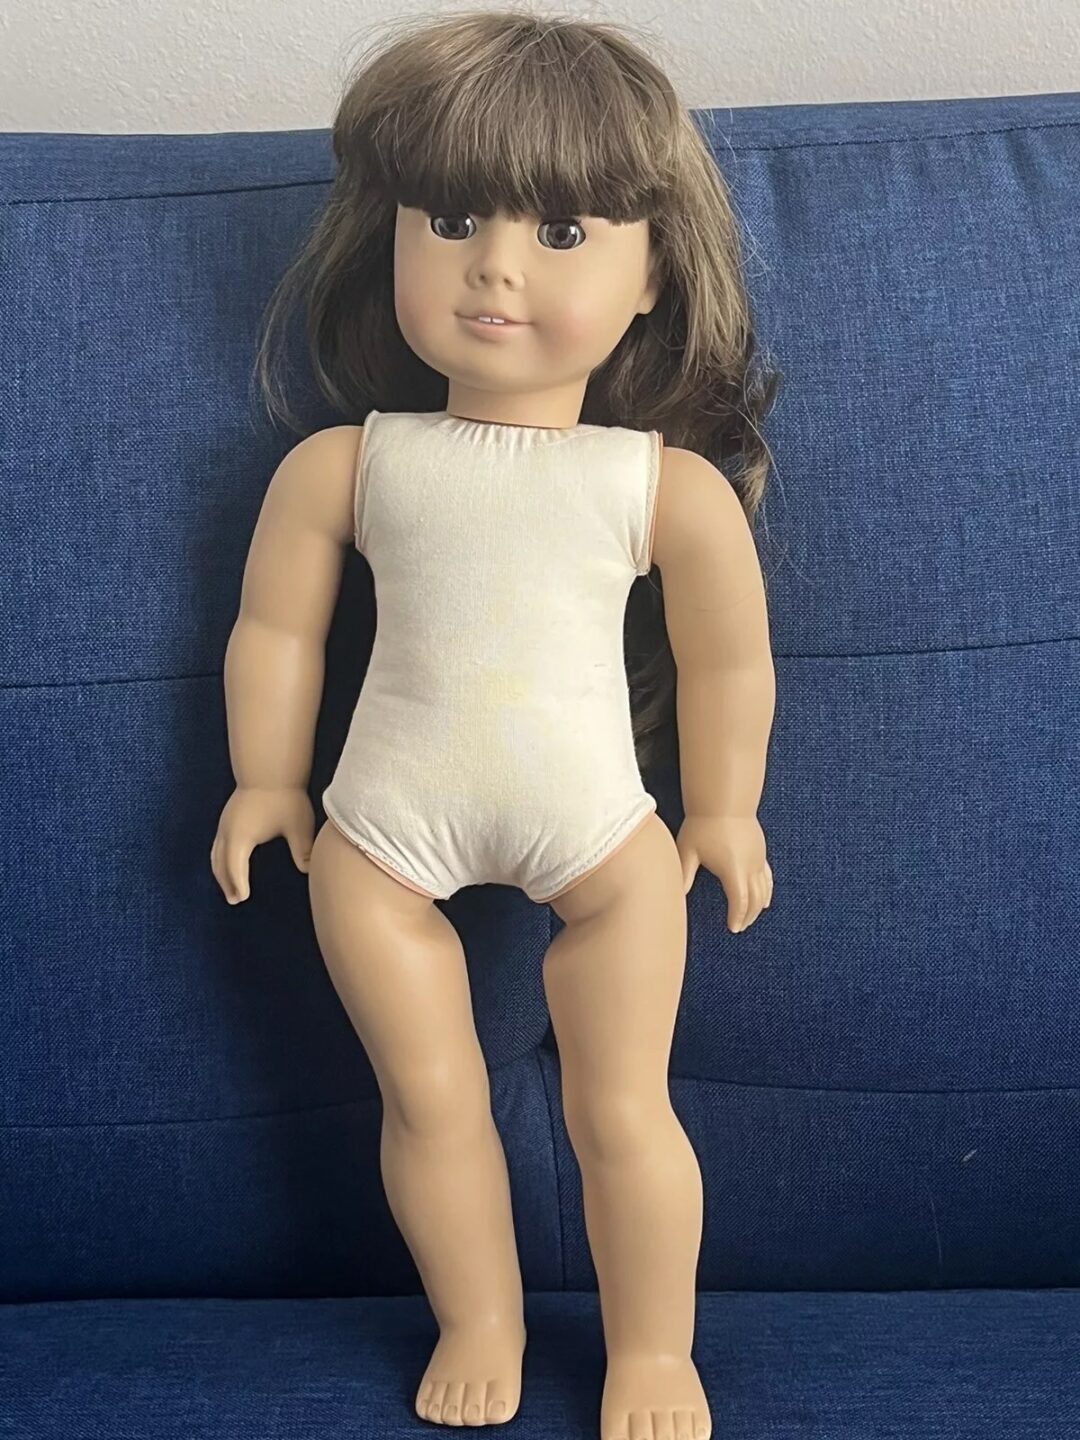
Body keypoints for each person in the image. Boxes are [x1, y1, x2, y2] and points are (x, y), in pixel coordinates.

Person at [211, 9, 779, 1437]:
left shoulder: (663, 488)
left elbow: (727, 665)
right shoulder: (343, 466)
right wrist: (265, 780)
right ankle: (478, 1320)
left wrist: (723, 808)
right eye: (453, 220)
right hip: (378, 837)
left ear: (654, 275)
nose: (496, 266)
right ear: (394, 240)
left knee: (624, 1109)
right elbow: (275, 633)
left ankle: (655, 1352)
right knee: (429, 1101)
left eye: (564, 231)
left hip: (603, 834)